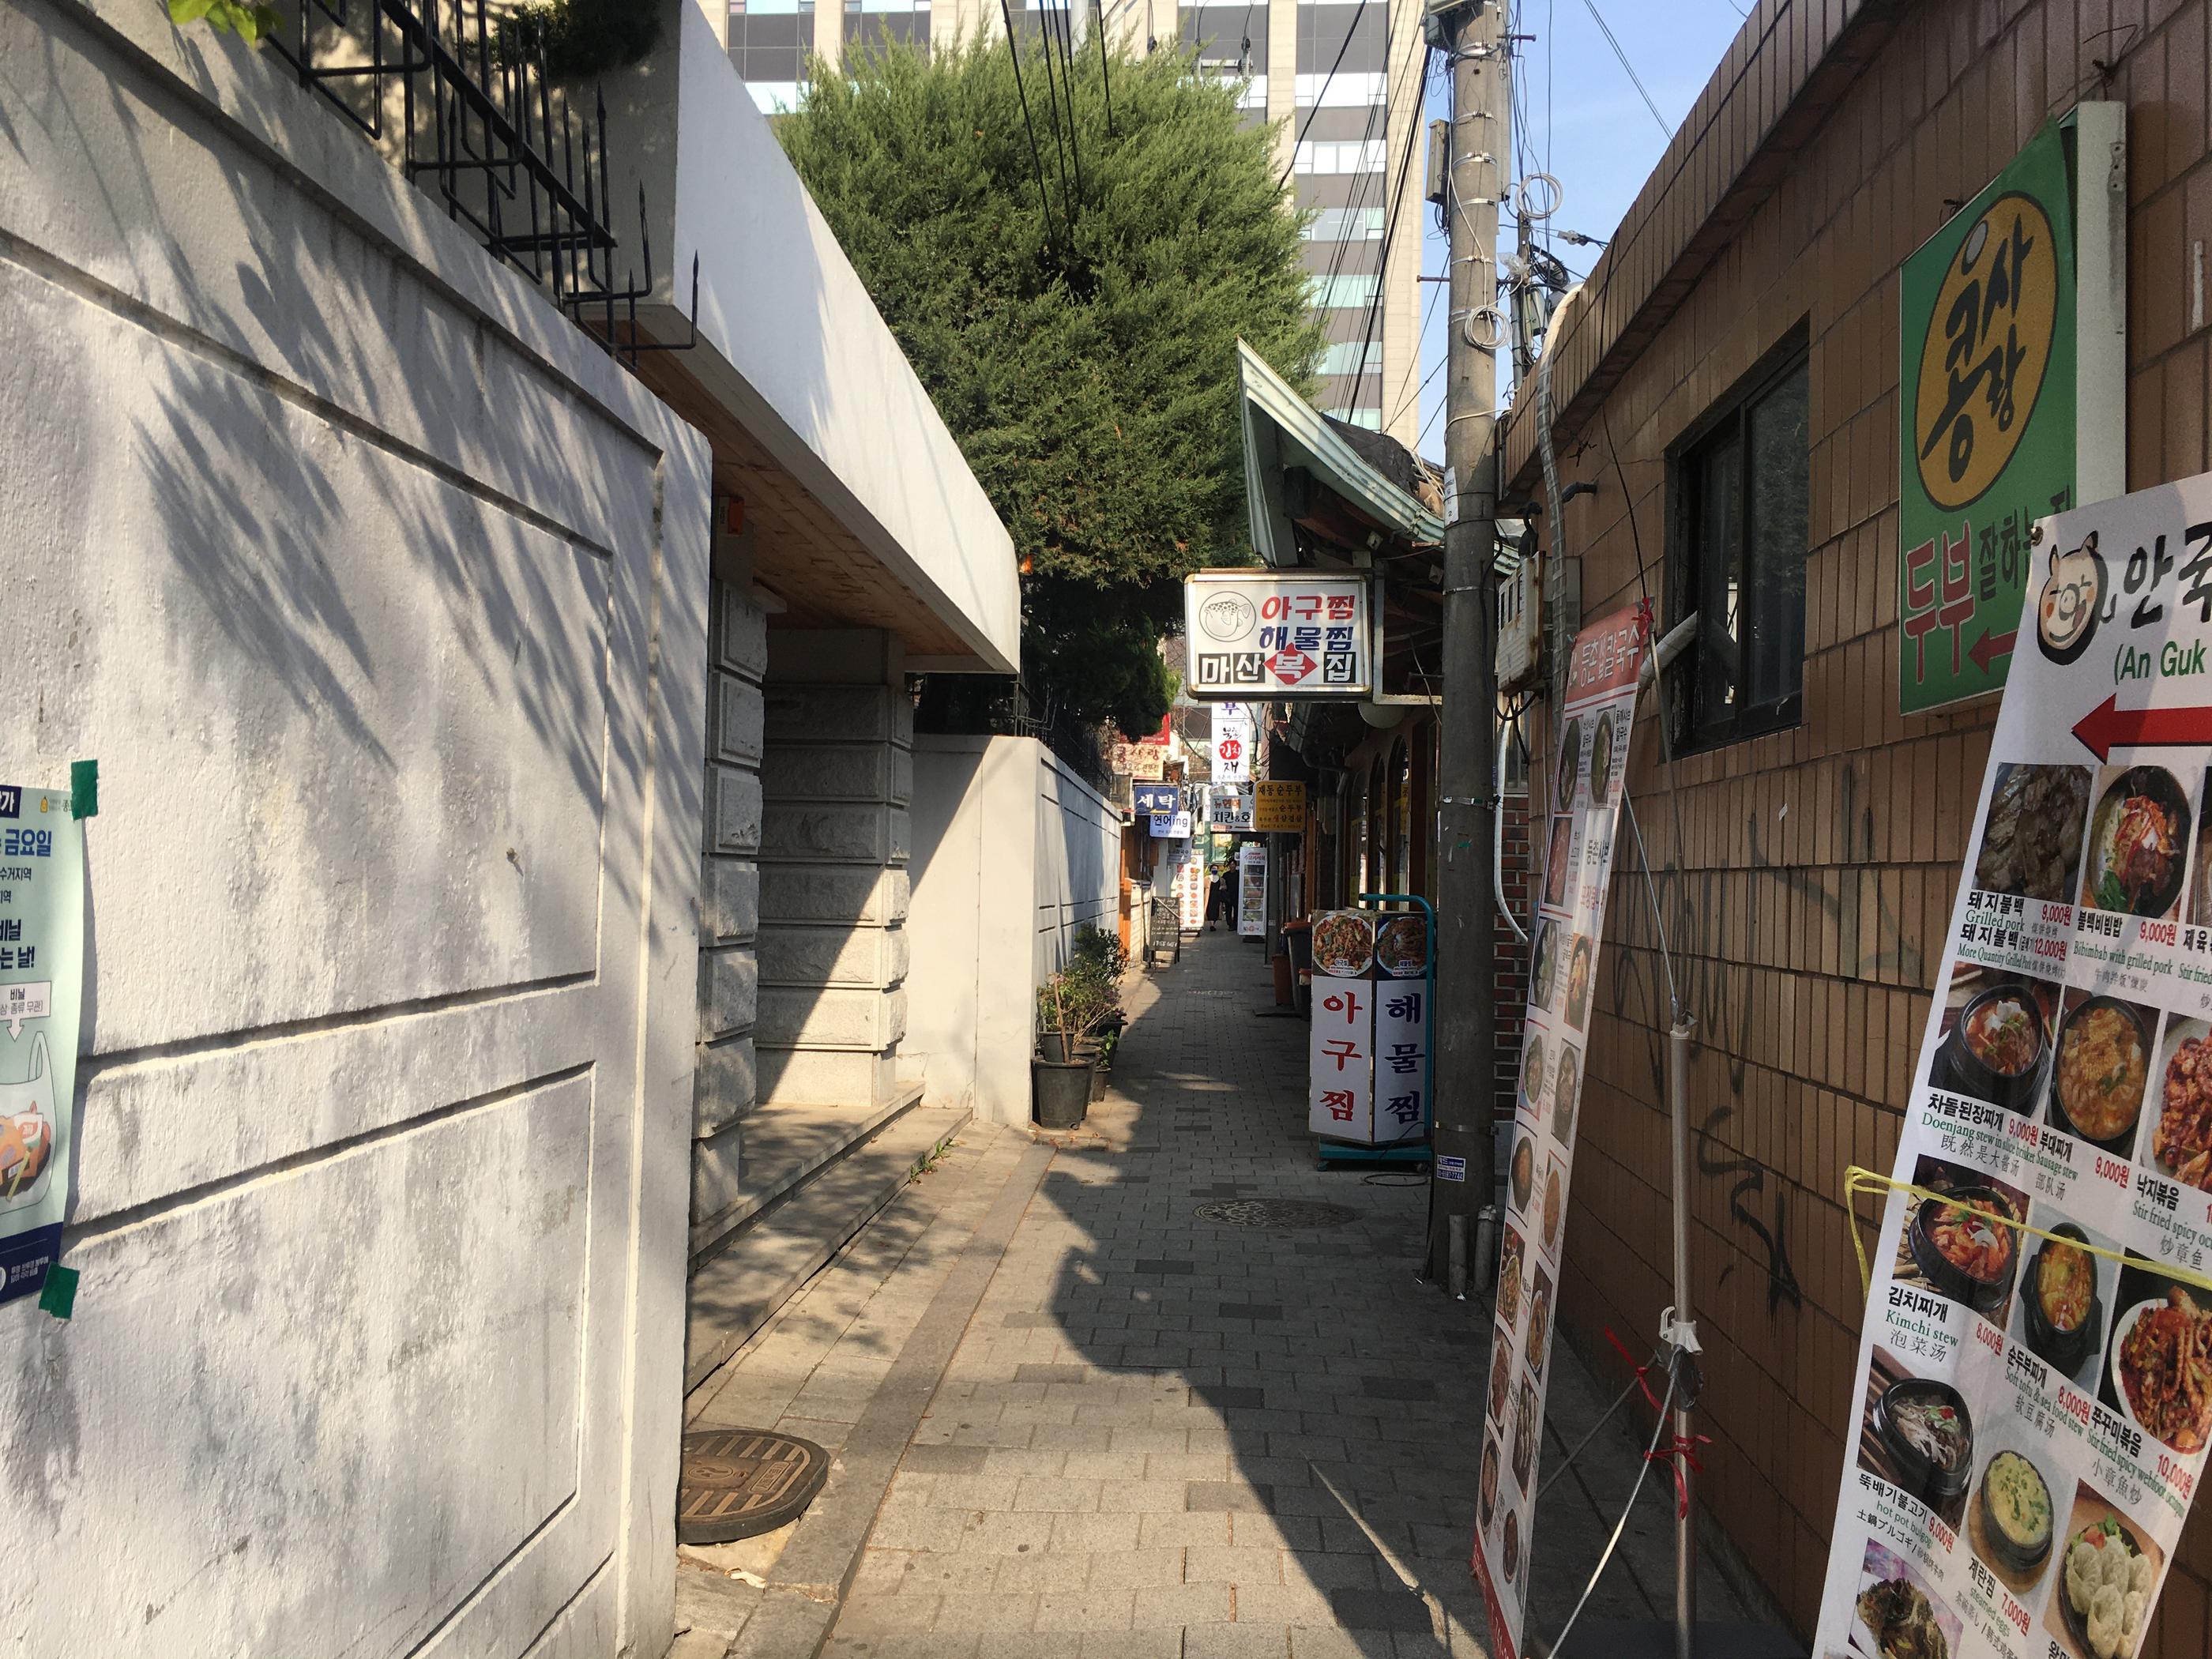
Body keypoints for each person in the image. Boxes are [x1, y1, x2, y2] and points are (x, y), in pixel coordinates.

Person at [1206, 860, 1239, 931]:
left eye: (1233, 864)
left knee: (1236, 910)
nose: (1232, 866)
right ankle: (1230, 924)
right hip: (1228, 896)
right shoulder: (1226, 875)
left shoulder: (1239, 874)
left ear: (1236, 865)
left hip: (1237, 895)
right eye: (1230, 864)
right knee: (1228, 910)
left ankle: (1236, 924)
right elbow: (1222, 884)